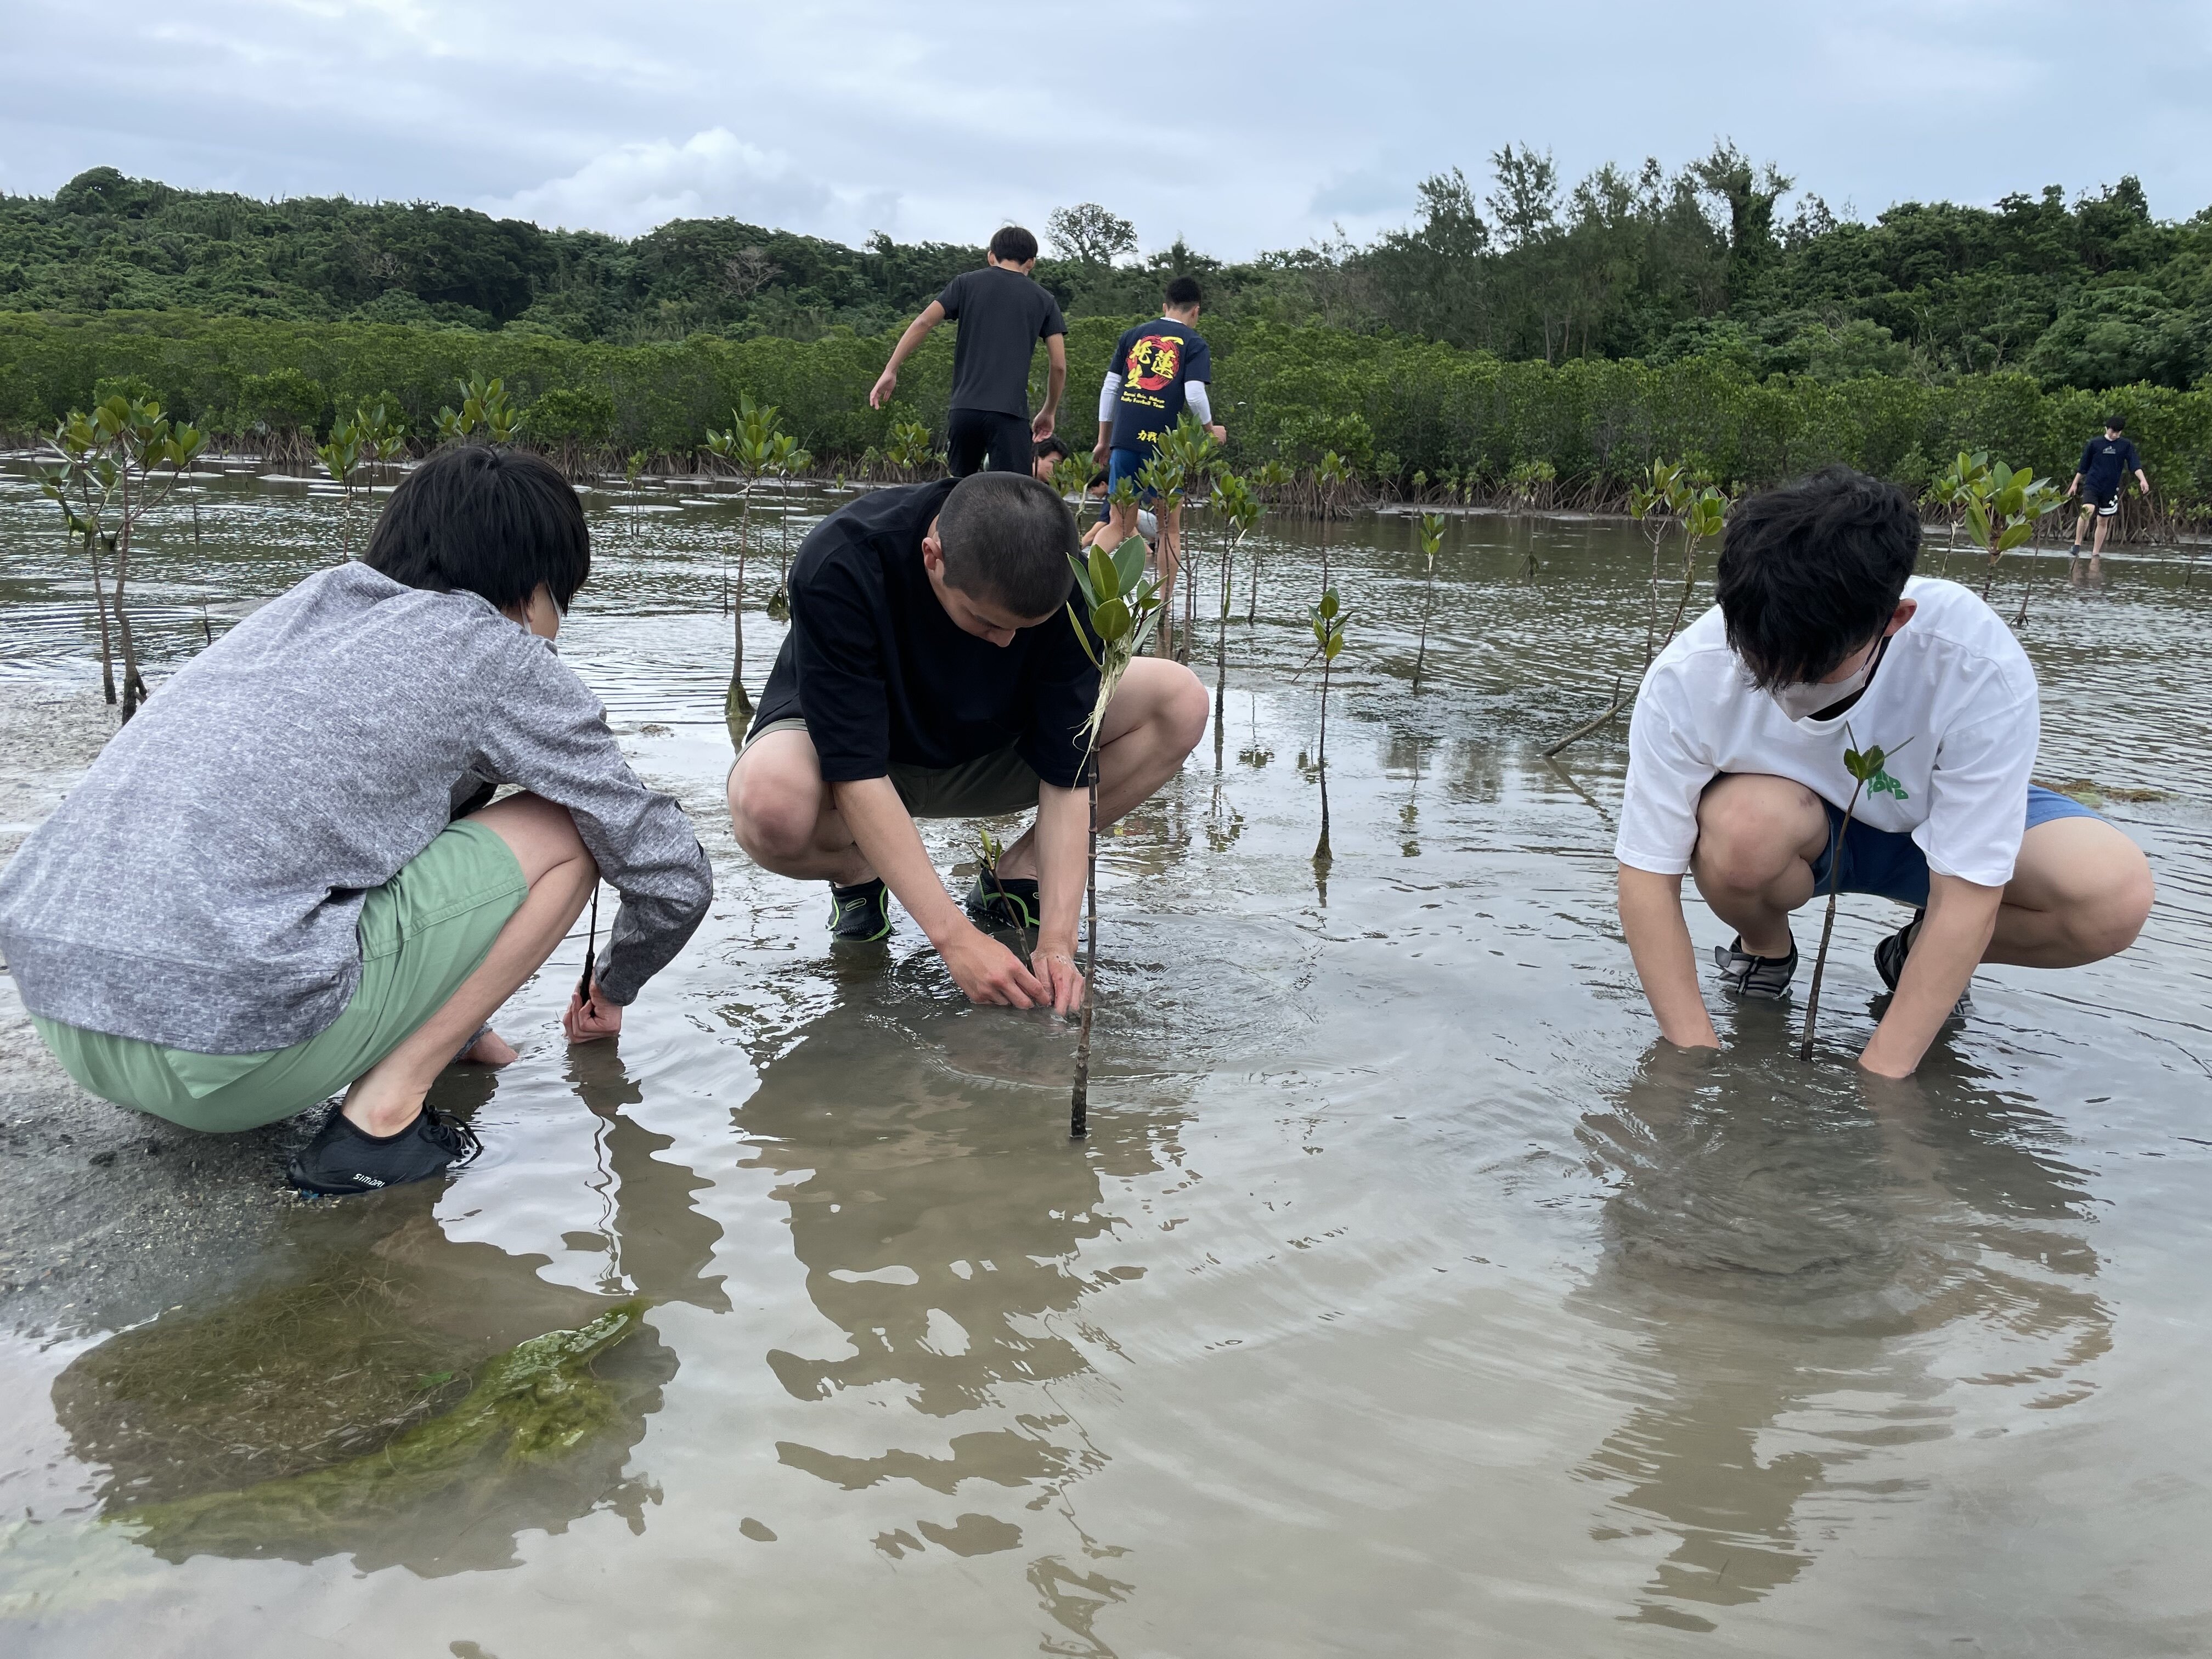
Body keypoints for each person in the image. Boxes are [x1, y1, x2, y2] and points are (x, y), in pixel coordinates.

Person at [0, 446, 713, 1194]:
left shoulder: (310, 607)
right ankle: (384, 1119)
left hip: (69, 1020)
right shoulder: (497, 652)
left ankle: (432, 1046)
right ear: (537, 593)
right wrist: (613, 989)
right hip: (224, 1064)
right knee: (570, 826)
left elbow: (353, 821)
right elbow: (668, 868)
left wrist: (462, 1025)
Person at [1613, 467, 2152, 1078]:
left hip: (1930, 823)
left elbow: (1968, 894)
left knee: (2115, 896)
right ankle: (1766, 951)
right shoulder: (1690, 674)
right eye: (1764, 664)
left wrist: (1881, 1089)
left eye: (1812, 668)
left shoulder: (1973, 660)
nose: (1786, 685)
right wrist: (1693, 1065)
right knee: (1741, 830)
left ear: (1894, 620)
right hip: (1797, 830)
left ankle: (1913, 956)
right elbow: (1646, 878)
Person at [725, 472, 1206, 1014]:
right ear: (933, 557)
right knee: (769, 803)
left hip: (993, 746)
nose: (1005, 643)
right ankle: (859, 875)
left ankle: (1019, 876)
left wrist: (1057, 945)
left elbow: (1065, 773)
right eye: (986, 624)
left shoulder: (1065, 578)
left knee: (1180, 700)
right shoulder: (843, 561)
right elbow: (854, 769)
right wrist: (955, 940)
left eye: (1025, 630)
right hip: (864, 763)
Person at [869, 226, 1067, 479]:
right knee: (1013, 498)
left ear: (991, 256)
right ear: (1032, 262)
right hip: (1009, 415)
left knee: (957, 494)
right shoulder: (1045, 300)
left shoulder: (965, 284)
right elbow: (1059, 365)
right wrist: (1049, 411)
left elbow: (923, 323)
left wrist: (891, 370)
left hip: (965, 410)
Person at [1092, 275, 1225, 622]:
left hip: (1123, 441)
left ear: (1164, 307)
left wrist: (1104, 440)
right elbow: (1195, 393)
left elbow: (1110, 389)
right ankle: (1162, 610)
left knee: (1120, 525)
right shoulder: (1194, 342)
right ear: (1196, 311)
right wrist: (1211, 432)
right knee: (1168, 529)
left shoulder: (1132, 336)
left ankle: (1080, 581)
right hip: (1163, 448)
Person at [2064, 415, 2151, 568]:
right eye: (2112, 431)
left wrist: (2142, 480)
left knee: (2103, 521)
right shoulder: (2095, 444)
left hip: (2110, 489)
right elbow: (2083, 467)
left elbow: (2135, 465)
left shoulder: (2126, 445)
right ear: (2106, 429)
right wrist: (2074, 484)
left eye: (2118, 432)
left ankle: (2095, 553)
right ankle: (2077, 544)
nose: (2115, 435)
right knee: (2087, 510)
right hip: (2093, 484)